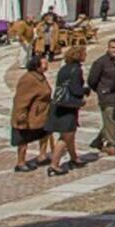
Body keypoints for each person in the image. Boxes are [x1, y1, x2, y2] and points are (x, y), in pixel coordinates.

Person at [45, 45, 91, 176]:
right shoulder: (76, 70)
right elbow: (75, 90)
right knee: (66, 136)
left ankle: (74, 158)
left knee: (70, 134)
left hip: (59, 105)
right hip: (68, 106)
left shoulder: (64, 68)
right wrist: (86, 90)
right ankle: (54, 165)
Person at [11, 53, 52, 172]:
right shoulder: (28, 79)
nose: (46, 66)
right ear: (36, 65)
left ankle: (42, 156)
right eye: (44, 64)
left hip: (42, 114)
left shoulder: (40, 76)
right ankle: (20, 162)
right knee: (23, 138)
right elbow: (21, 99)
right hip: (29, 115)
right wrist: (20, 116)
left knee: (45, 134)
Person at [88, 38, 115, 157]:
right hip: (107, 96)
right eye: (113, 47)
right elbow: (92, 80)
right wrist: (101, 91)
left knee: (110, 121)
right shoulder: (100, 62)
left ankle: (98, 140)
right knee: (111, 119)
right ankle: (111, 144)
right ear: (108, 48)